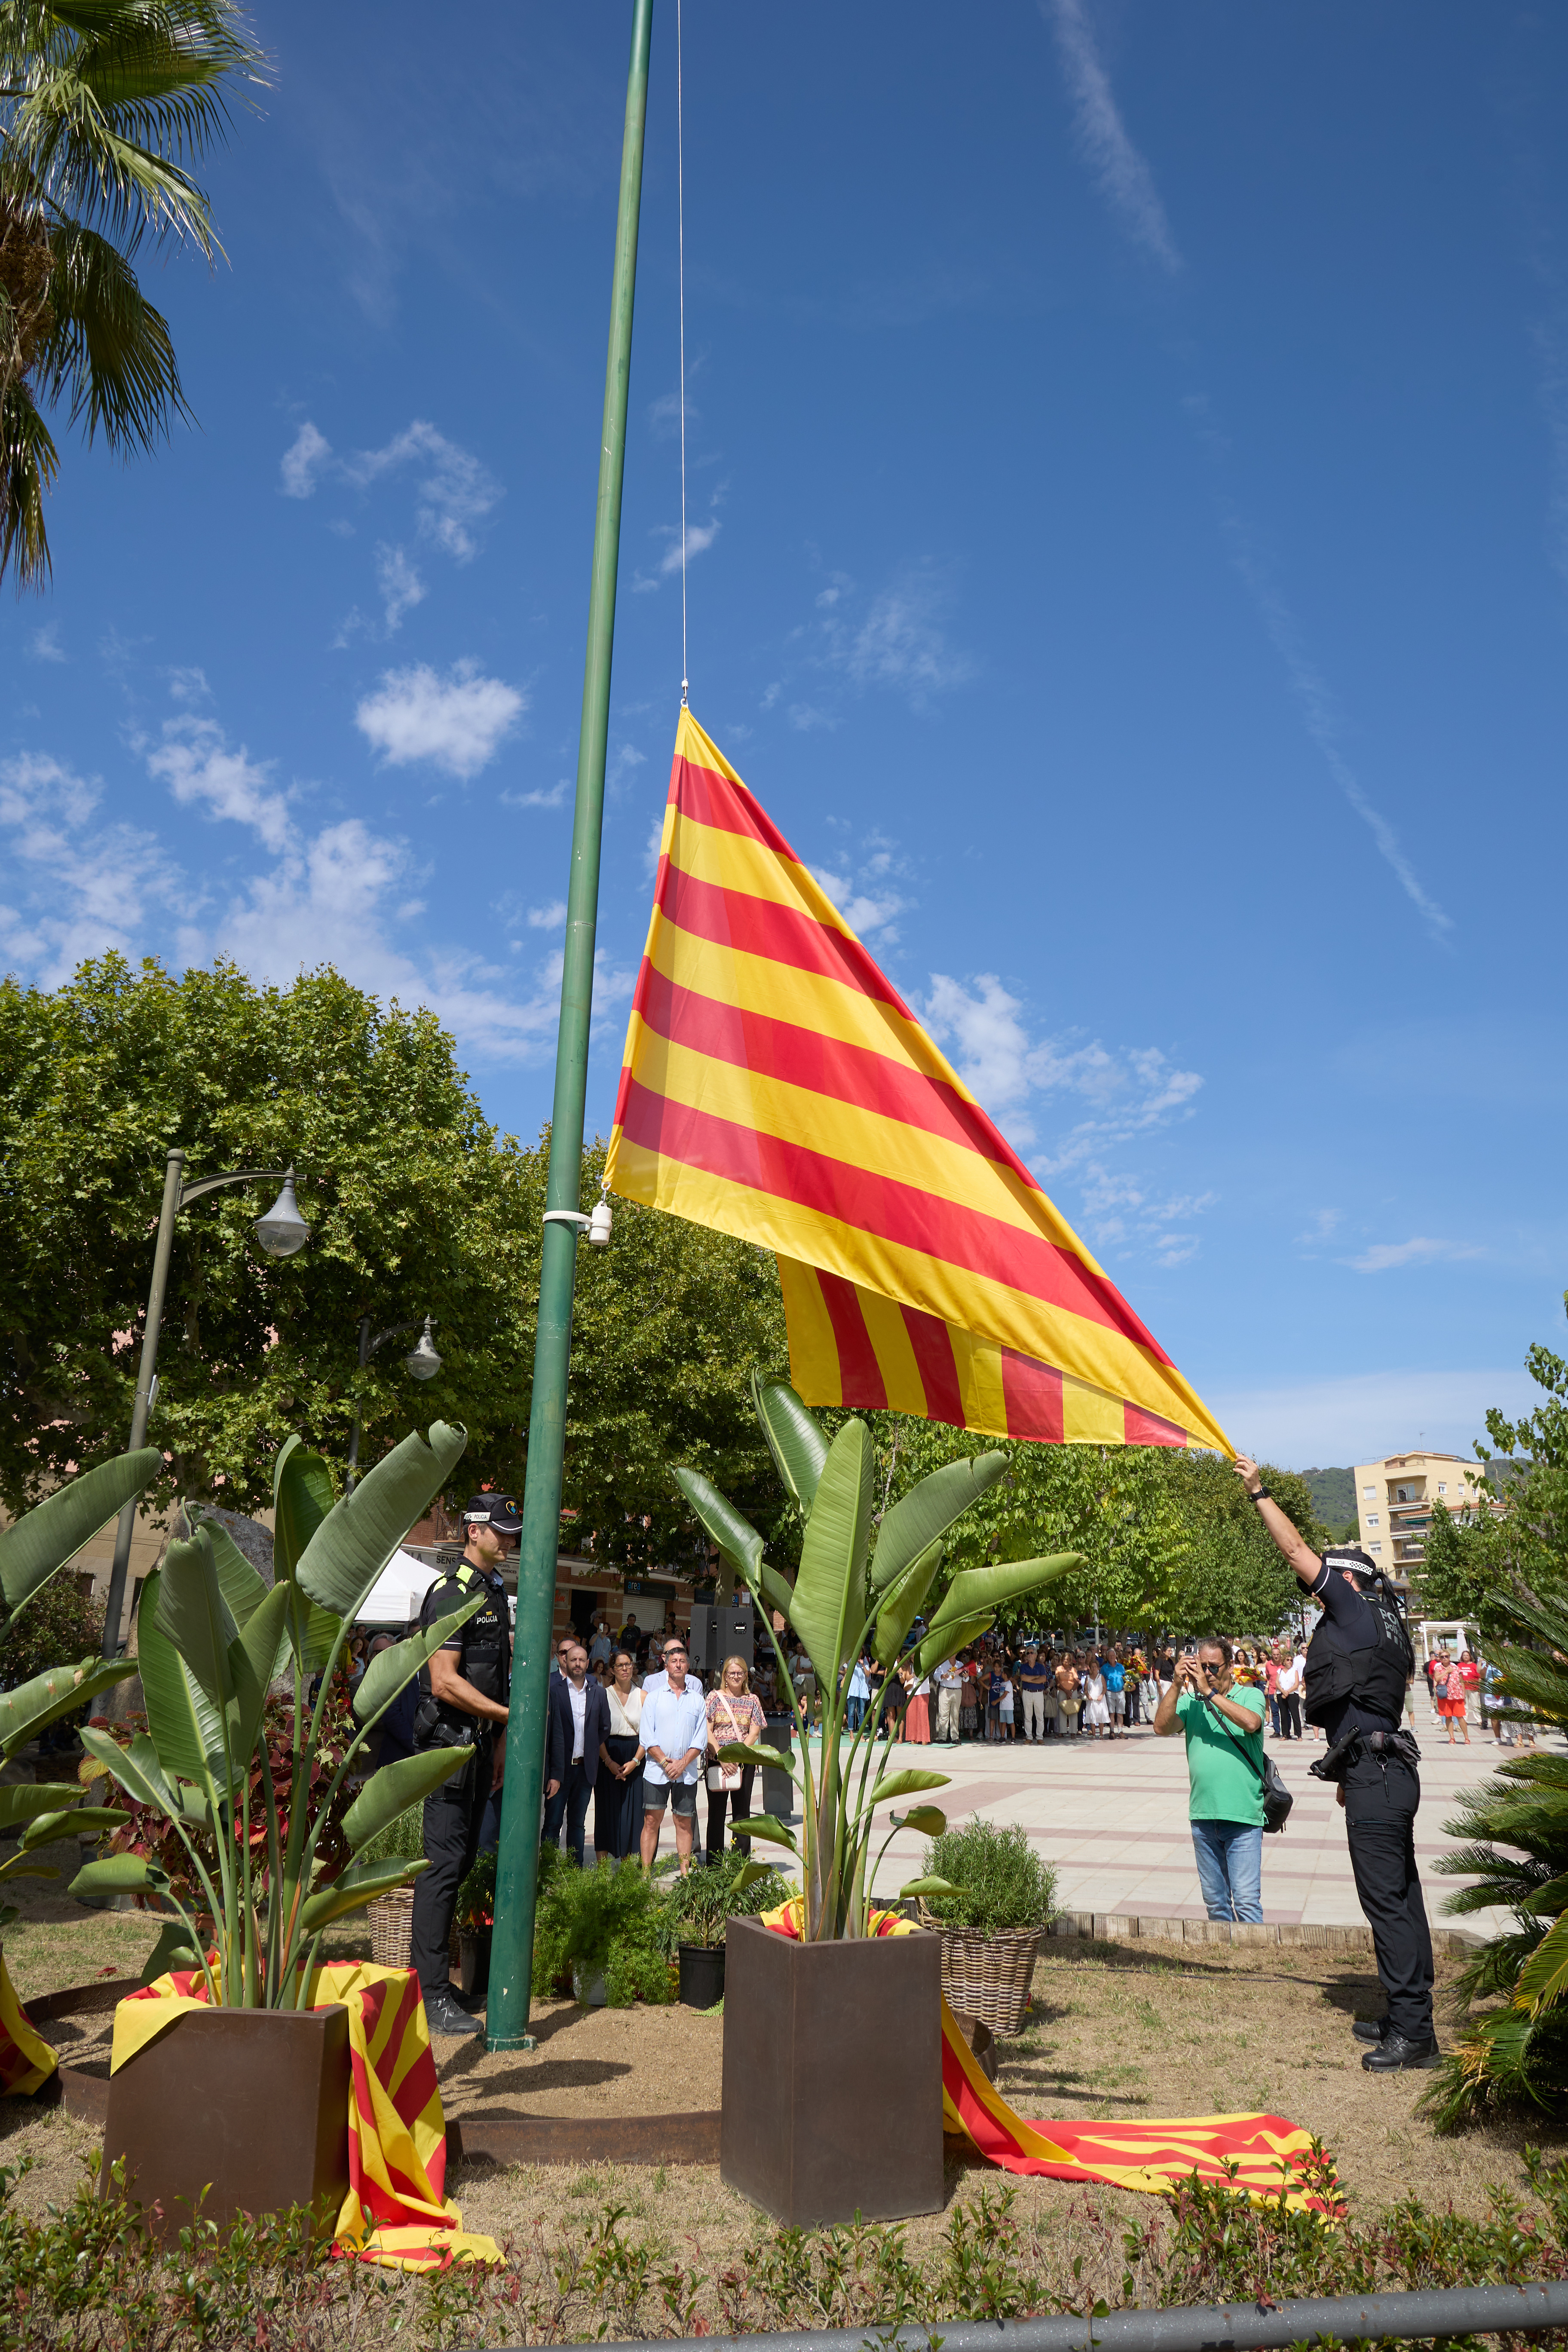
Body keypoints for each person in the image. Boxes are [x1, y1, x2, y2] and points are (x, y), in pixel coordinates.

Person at [1236, 1454, 1437, 2071]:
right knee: (1403, 1896)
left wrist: (1258, 1491)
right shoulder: (1388, 1622)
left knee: (1387, 1904)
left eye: (1325, 1583)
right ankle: (1409, 2016)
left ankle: (1413, 2036)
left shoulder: (1352, 1607)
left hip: (1379, 1775)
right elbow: (1369, 1708)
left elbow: (1295, 1550)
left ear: (1347, 1581)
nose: (1314, 1590)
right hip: (1385, 1769)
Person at [408, 1491, 517, 2039]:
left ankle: (436, 1984)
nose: (508, 1538)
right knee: (442, 1868)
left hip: (478, 1747)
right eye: (500, 1530)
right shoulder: (450, 1592)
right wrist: (511, 1716)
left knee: (462, 1863)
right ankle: (427, 1995)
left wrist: (499, 1738)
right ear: (473, 1531)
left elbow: (492, 1673)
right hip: (448, 1749)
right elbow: (444, 1680)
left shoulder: (493, 1592)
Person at [1153, 1636, 1267, 1924]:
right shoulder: (1191, 1702)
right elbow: (1161, 1727)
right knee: (1216, 1904)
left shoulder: (1248, 1694)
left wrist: (1210, 1694)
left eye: (1213, 1668)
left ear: (1230, 1665)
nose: (1206, 1674)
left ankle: (1257, 1964)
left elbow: (1252, 1723)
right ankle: (1224, 1965)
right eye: (1201, 1667)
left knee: (1245, 1901)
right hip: (1204, 1815)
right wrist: (1178, 1684)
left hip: (1243, 1816)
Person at [639, 1639, 707, 1875]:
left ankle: (685, 1876)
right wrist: (667, 1763)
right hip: (657, 1772)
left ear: (688, 1666)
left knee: (684, 1823)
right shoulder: (654, 1698)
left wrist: (682, 1764)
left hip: (686, 1774)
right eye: (673, 1661)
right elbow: (647, 1737)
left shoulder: (698, 1700)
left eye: (682, 1661)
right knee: (651, 1821)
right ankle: (646, 1874)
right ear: (666, 1666)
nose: (678, 1665)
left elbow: (700, 1740)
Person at [545, 1639, 611, 1867]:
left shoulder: (598, 1693)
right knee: (553, 1823)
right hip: (560, 1771)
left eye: (582, 1660)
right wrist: (553, 1772)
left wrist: (592, 1748)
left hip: (585, 1770)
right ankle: (548, 1870)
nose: (577, 1663)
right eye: (573, 1659)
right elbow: (550, 1734)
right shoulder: (554, 1691)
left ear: (588, 1663)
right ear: (565, 1661)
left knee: (577, 1824)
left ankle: (575, 1872)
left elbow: (605, 1728)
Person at [705, 1654, 766, 1859]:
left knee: (742, 1813)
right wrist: (723, 1757)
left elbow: (755, 1732)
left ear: (746, 1675)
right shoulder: (714, 1697)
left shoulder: (753, 1700)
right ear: (725, 1676)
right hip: (717, 1762)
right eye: (732, 1673)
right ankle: (714, 1863)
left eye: (740, 1672)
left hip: (743, 1764)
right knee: (716, 1813)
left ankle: (739, 1860)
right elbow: (707, 1731)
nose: (736, 1676)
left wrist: (737, 1758)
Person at [594, 1647, 645, 1861]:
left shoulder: (643, 1696)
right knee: (606, 1812)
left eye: (628, 1664)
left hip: (636, 1757)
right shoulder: (602, 1695)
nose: (625, 1669)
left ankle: (626, 1868)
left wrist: (635, 1761)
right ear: (612, 1670)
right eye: (620, 1666)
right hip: (608, 1756)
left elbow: (649, 1735)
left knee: (632, 1815)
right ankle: (603, 1871)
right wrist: (608, 1762)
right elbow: (596, 1733)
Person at [1018, 1643, 1050, 1743]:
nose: (1030, 1655)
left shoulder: (1040, 1667)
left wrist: (1030, 1679)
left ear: (1036, 1655)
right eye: (1028, 1653)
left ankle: (1040, 1737)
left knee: (1040, 1716)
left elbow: (1044, 1679)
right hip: (1027, 1693)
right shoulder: (1023, 1667)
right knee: (1028, 1716)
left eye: (1032, 1653)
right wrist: (1037, 1678)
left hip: (1038, 1693)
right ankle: (1029, 1737)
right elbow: (1023, 1678)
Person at [1437, 1653, 1471, 1746]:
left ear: (1449, 1657)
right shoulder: (1438, 1669)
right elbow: (1436, 1678)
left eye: (1447, 1656)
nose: (1445, 1658)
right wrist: (1446, 1672)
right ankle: (1452, 1738)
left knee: (1460, 1717)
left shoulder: (1456, 1668)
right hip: (1445, 1697)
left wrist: (1464, 1695)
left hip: (1457, 1696)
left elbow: (1462, 1682)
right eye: (1442, 1657)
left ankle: (1467, 1738)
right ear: (1440, 1659)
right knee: (1448, 1717)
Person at [933, 1653, 964, 1743]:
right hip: (945, 1690)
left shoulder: (960, 1665)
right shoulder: (942, 1664)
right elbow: (936, 1676)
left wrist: (966, 1676)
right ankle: (943, 1737)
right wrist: (942, 1676)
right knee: (943, 1714)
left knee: (955, 1715)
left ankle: (955, 1737)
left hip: (957, 1690)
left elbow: (966, 1679)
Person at [1081, 1659, 1109, 1740]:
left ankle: (1101, 1735)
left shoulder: (1101, 1677)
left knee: (1101, 1716)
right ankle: (1094, 1735)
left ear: (1098, 1668)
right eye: (1092, 1667)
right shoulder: (1088, 1678)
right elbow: (1085, 1688)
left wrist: (1101, 1695)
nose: (1094, 1668)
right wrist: (1088, 1695)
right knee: (1092, 1717)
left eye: (1095, 1667)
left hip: (1100, 1699)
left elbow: (1105, 1688)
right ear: (1090, 1668)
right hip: (1092, 1699)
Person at [1104, 1649, 1126, 1738]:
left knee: (1120, 1713)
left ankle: (1120, 1731)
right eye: (1110, 1656)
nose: (1112, 1657)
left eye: (1113, 1656)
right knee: (1112, 1713)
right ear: (1107, 1657)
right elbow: (1101, 1679)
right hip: (1110, 1692)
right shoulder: (1105, 1668)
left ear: (1116, 1656)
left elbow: (1126, 1678)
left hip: (1120, 1691)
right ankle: (1112, 1731)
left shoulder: (1121, 1667)